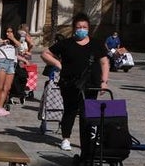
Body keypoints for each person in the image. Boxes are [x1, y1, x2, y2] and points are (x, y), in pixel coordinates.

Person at [41, 12, 109, 152]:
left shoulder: (97, 44)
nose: (82, 29)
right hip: (70, 84)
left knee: (89, 112)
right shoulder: (66, 44)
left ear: (88, 28)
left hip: (91, 84)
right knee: (70, 111)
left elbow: (104, 62)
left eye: (84, 27)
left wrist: (104, 81)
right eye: (79, 26)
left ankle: (89, 139)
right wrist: (57, 64)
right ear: (74, 28)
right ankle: (66, 138)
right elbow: (45, 53)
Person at [0, 26, 19, 116]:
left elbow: (21, 47)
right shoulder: (0, 39)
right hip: (2, 62)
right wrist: (2, 42)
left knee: (7, 87)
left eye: (11, 31)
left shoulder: (14, 42)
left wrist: (13, 38)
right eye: (7, 31)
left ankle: (0, 107)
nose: (8, 33)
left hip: (11, 63)